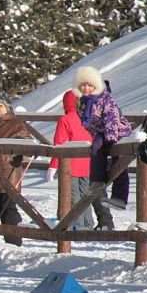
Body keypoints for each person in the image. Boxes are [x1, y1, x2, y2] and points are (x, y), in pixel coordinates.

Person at [73, 66, 133, 230]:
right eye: (83, 85)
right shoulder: (81, 103)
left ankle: (119, 197)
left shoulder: (105, 99)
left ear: (95, 86)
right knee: (96, 150)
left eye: (89, 85)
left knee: (118, 162)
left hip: (117, 132)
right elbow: (88, 124)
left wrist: (111, 138)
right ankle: (97, 182)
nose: (86, 88)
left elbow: (112, 118)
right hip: (100, 134)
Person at [0, 97, 30, 246]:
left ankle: (14, 240)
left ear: (7, 108)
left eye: (0, 106)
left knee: (8, 207)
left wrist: (24, 153)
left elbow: (28, 142)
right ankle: (9, 238)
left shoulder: (16, 125)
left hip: (9, 171)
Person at [48, 90, 100, 229]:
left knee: (73, 197)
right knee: (86, 197)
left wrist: (53, 166)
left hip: (70, 166)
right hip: (88, 164)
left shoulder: (65, 120)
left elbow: (59, 145)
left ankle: (77, 226)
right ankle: (88, 225)